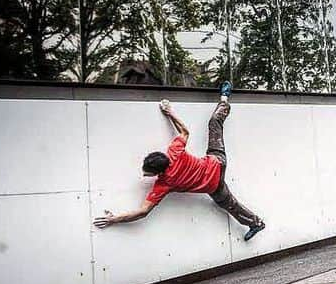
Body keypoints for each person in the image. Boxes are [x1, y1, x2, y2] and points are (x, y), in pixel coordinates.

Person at [93, 82, 266, 241]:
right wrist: (169, 112)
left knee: (231, 205)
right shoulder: (173, 152)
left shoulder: (164, 184)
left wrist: (114, 219)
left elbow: (143, 211)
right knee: (215, 122)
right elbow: (185, 132)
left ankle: (256, 223)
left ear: (159, 173)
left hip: (214, 186)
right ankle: (224, 97)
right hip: (217, 161)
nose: (144, 174)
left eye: (147, 172)